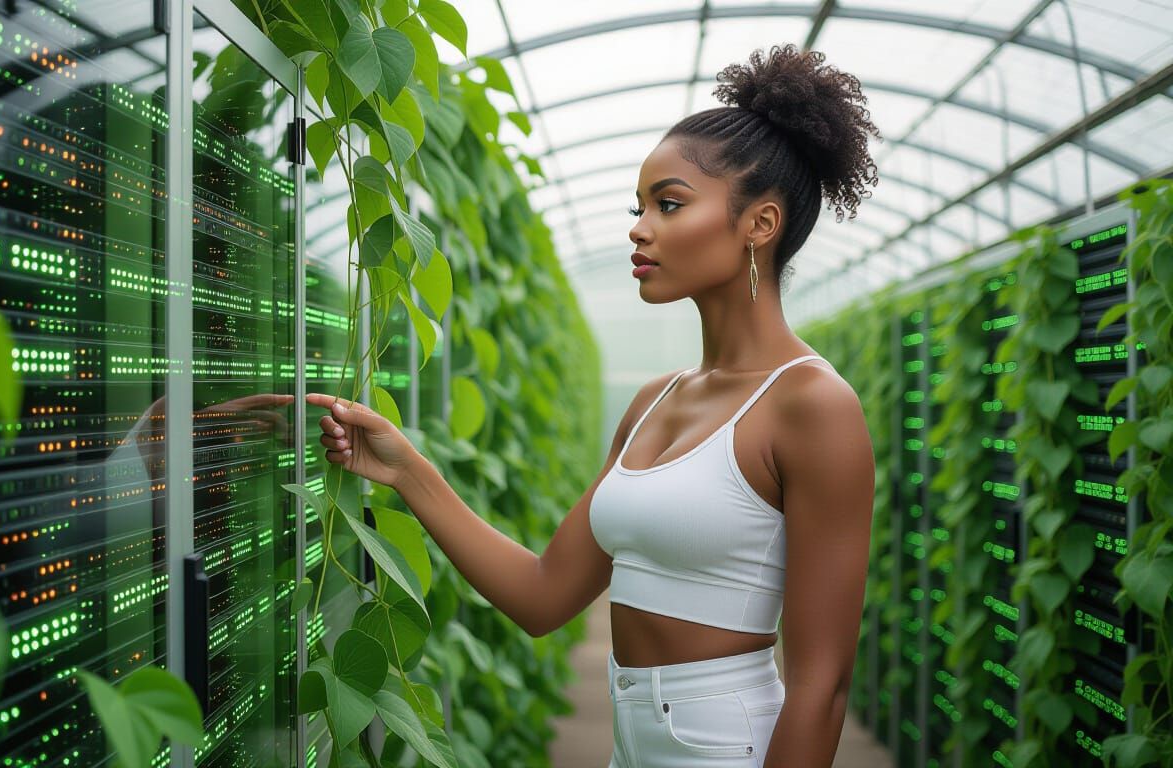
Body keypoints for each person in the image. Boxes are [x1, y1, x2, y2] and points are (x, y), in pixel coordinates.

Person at [306, 42, 878, 767]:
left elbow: (821, 687)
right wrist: (406, 470)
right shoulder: (653, 403)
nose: (639, 227)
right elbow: (544, 597)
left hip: (727, 746)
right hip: (627, 742)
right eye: (638, 207)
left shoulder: (813, 405)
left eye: (669, 204)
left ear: (759, 225)